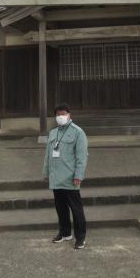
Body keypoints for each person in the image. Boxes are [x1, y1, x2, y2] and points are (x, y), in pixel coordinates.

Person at [42, 103, 88, 249]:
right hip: (56, 178)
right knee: (60, 208)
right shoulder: (53, 133)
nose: (60, 116)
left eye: (63, 113)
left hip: (70, 178)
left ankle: (80, 237)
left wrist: (78, 175)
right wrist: (46, 172)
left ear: (69, 115)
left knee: (76, 209)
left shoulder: (78, 132)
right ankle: (65, 232)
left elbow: (82, 157)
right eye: (58, 114)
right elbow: (47, 156)